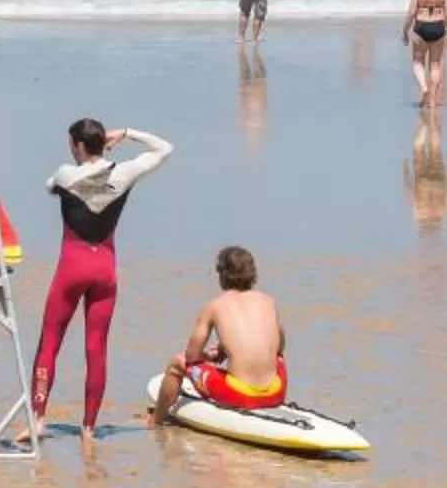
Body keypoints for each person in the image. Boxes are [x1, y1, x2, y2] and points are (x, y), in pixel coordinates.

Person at [27, 120, 172, 441]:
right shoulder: (124, 173)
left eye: (71, 143)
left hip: (72, 269)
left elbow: (49, 186)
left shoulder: (66, 174)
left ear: (79, 145)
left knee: (49, 343)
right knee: (97, 348)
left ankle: (37, 420)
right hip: (105, 270)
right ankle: (89, 428)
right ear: (103, 141)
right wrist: (129, 134)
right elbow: (165, 149)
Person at [152, 246, 289, 422]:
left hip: (241, 395)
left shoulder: (214, 306)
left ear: (222, 275)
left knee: (177, 362)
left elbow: (191, 356)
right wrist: (227, 348)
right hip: (276, 392)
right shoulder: (268, 301)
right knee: (277, 358)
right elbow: (279, 347)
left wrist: (209, 355)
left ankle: (155, 420)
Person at [404, 0, 447, 108]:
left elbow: (412, 12)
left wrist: (405, 30)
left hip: (421, 27)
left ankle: (424, 87)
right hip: (438, 28)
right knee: (435, 65)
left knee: (418, 62)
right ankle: (432, 101)